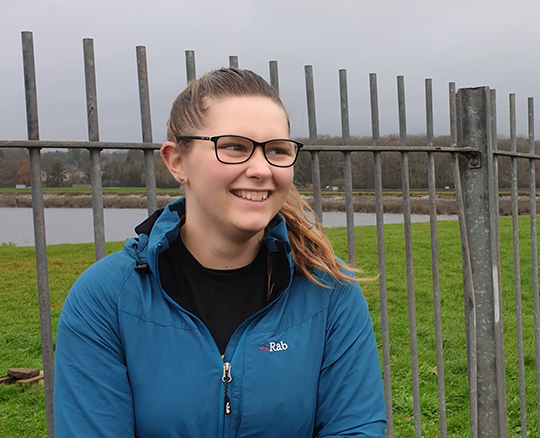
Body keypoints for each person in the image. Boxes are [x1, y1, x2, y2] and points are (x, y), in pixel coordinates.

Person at [54, 68, 387, 437]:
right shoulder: (105, 299)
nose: (261, 169)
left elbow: (355, 427)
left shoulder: (329, 291)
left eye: (277, 150)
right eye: (234, 146)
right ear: (177, 161)